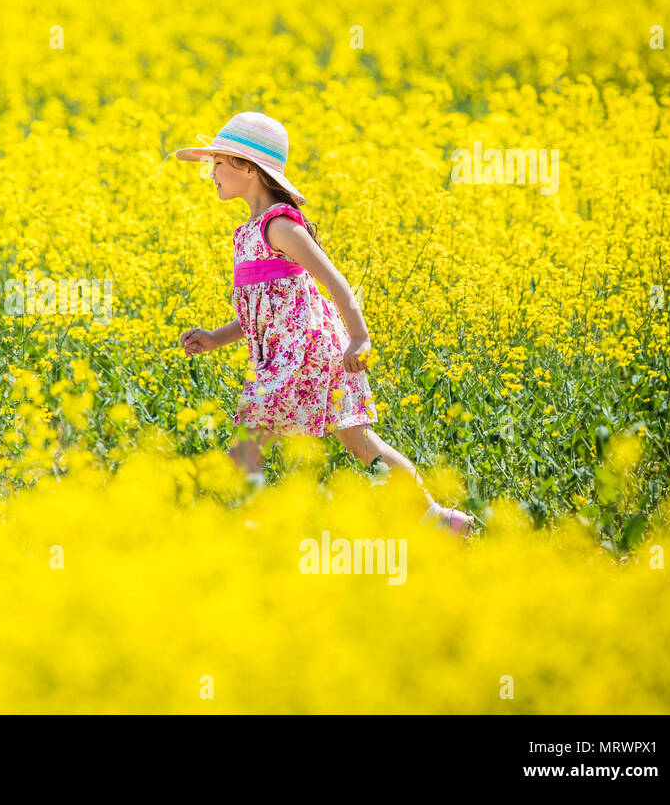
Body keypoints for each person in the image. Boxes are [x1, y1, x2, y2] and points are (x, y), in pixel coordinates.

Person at [164, 112, 476, 539]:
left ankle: (256, 531)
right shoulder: (248, 233)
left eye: (218, 163)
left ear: (249, 169)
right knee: (359, 442)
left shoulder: (278, 226)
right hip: (293, 352)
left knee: (245, 447)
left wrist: (361, 337)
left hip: (305, 352)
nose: (210, 173)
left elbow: (334, 281)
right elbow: (264, 309)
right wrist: (217, 337)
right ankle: (439, 519)